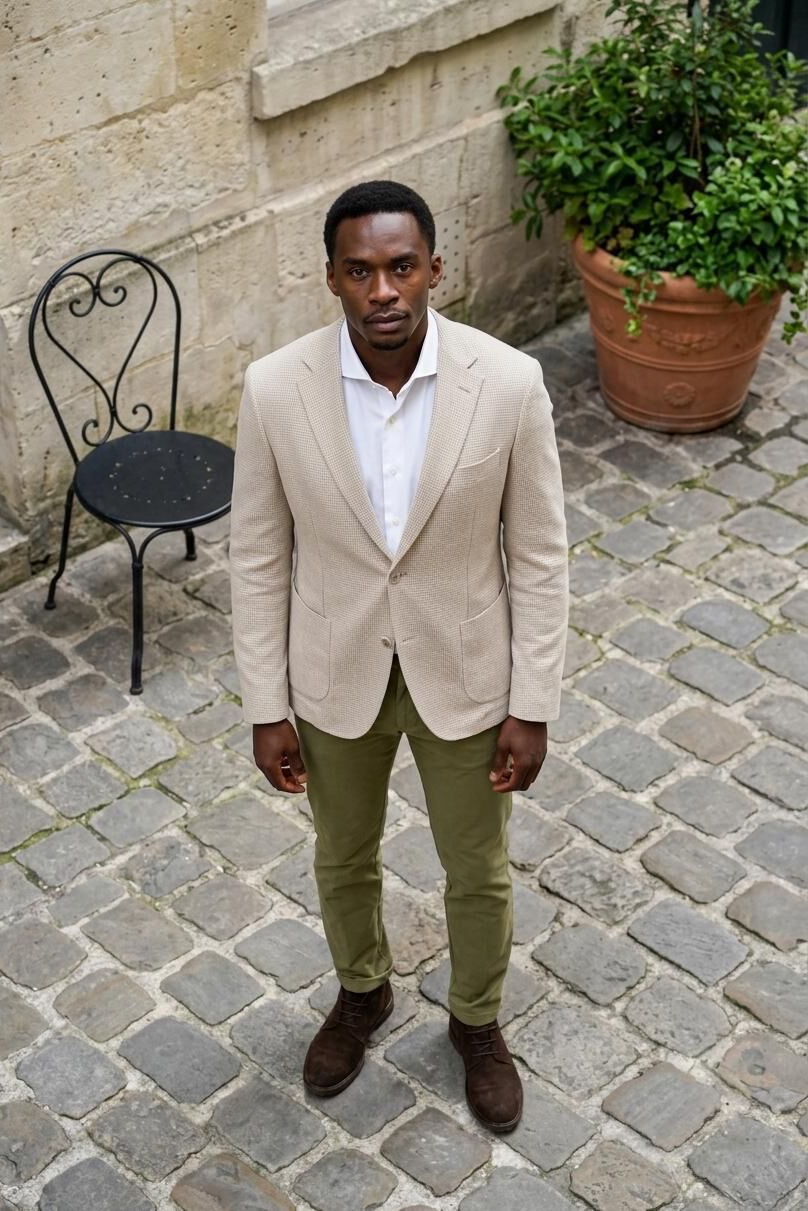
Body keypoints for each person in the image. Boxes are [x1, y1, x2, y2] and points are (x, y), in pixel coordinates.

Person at [229, 180, 568, 1133]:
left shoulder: (509, 384)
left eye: (401, 267)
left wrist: (533, 703)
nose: (383, 290)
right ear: (332, 278)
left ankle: (476, 1020)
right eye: (360, 271)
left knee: (478, 867)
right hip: (333, 673)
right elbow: (257, 556)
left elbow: (541, 556)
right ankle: (362, 991)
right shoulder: (273, 389)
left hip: (467, 674)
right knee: (341, 855)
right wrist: (265, 706)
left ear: (434, 269)